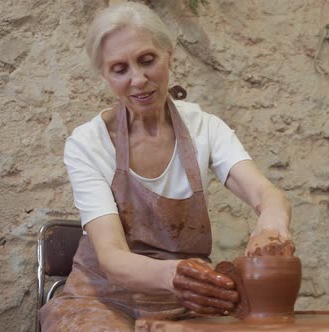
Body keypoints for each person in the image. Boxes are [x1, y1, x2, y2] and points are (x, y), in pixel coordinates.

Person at [39, 2, 293, 330]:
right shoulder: (88, 143)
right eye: (120, 69)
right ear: (105, 75)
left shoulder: (204, 127)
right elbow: (113, 258)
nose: (139, 80)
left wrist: (271, 225)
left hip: (188, 304)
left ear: (169, 55)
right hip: (101, 300)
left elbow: (264, 192)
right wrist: (179, 275)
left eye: (148, 60)